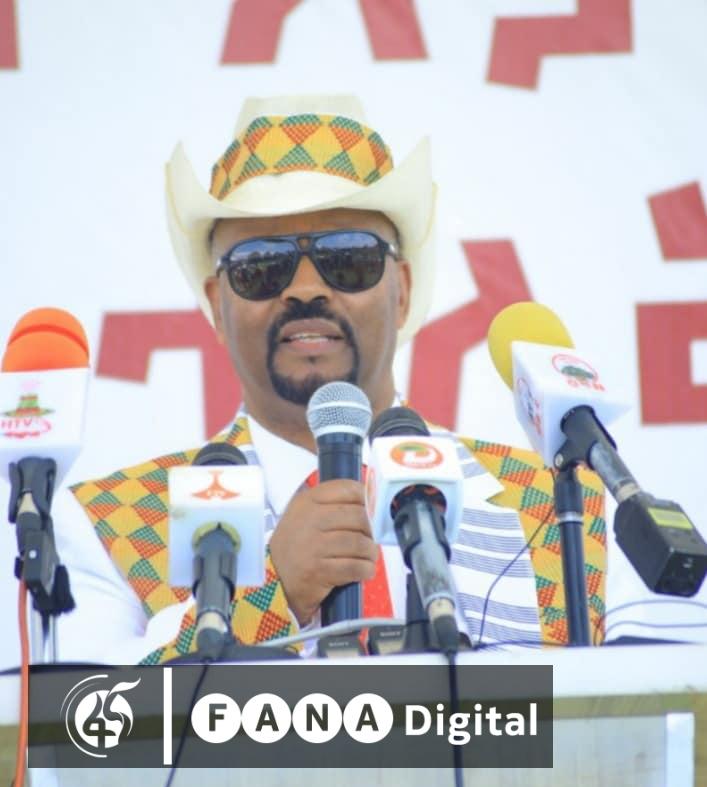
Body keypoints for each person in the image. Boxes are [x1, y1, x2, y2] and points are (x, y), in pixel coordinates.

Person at [55, 95, 606, 664]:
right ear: (217, 305)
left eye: (347, 258)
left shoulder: (558, 507)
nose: (306, 289)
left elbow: (640, 707)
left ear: (401, 290)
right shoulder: (111, 523)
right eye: (261, 265)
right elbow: (87, 717)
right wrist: (273, 591)